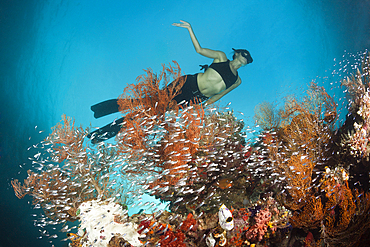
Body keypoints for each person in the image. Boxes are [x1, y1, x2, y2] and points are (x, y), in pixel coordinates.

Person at [88, 20, 253, 143]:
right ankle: (102, 109)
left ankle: (102, 133)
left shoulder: (237, 81)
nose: (246, 58)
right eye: (244, 54)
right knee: (147, 102)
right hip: (186, 84)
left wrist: (202, 107)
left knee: (152, 114)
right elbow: (200, 50)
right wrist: (190, 29)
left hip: (194, 99)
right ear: (237, 53)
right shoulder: (221, 57)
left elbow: (218, 96)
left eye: (248, 58)